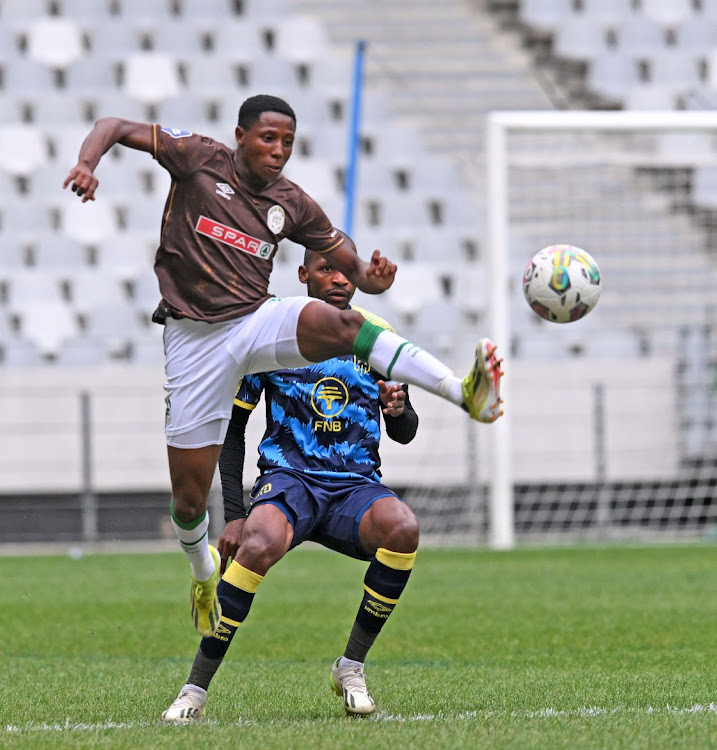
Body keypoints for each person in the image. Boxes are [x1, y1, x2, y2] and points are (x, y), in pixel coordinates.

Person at [63, 93, 503, 642]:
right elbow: (113, 124)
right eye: (268, 139)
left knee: (345, 325)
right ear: (241, 136)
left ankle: (463, 392)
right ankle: (202, 575)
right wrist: (87, 162)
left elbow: (353, 272)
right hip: (195, 341)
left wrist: (372, 278)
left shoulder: (293, 203)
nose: (278, 151)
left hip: (254, 318)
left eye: (288, 143)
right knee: (188, 500)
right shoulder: (198, 157)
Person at [162, 243, 420, 721]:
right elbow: (233, 432)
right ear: (304, 274)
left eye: (346, 271)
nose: (340, 278)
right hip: (289, 481)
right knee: (256, 545)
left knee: (403, 529)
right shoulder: (275, 336)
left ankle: (351, 665)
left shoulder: (376, 336)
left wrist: (399, 410)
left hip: (353, 487)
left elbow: (405, 431)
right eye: (327, 269)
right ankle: (194, 690)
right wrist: (236, 515)